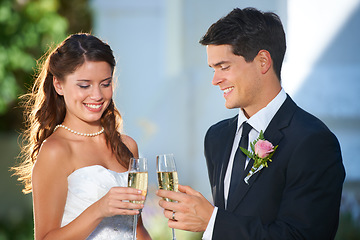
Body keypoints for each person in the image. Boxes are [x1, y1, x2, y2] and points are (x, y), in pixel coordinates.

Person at [156, 7, 345, 239]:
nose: (215, 80)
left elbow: (302, 236)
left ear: (263, 61)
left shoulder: (313, 141)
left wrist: (212, 221)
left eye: (224, 67)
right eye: (213, 69)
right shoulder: (216, 138)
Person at [12, 33, 151, 240]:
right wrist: (99, 209)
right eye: (84, 85)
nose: (96, 95)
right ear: (59, 85)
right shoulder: (56, 150)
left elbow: (137, 229)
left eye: (105, 83)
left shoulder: (128, 146)